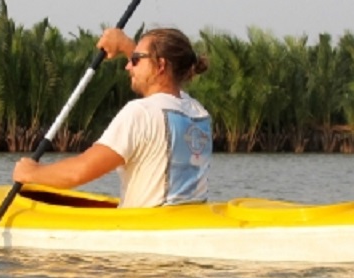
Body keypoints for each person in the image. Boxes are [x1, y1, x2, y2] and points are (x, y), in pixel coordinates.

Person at [13, 27, 212, 207]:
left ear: (160, 66)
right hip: (182, 219)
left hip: (142, 232)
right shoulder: (198, 112)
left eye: (136, 60)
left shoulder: (140, 113)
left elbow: (78, 172)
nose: (128, 67)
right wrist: (126, 46)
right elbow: (161, 88)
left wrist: (32, 172)